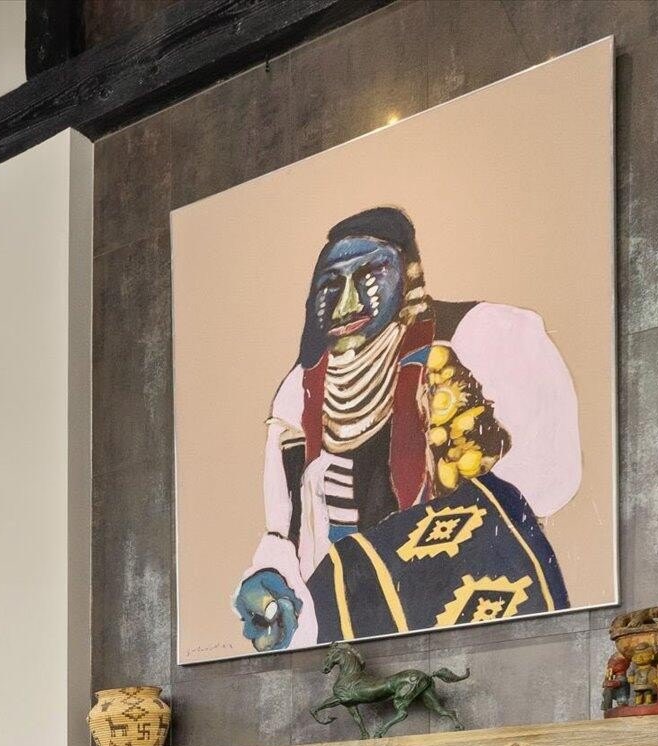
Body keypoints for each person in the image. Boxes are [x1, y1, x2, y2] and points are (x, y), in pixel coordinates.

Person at [233, 206, 583, 652]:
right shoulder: (297, 392)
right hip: (350, 624)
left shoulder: (480, 334)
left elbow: (550, 477)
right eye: (331, 284)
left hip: (470, 601)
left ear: (409, 274)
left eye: (369, 275)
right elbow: (287, 533)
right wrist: (273, 579)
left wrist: (388, 552)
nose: (347, 303)